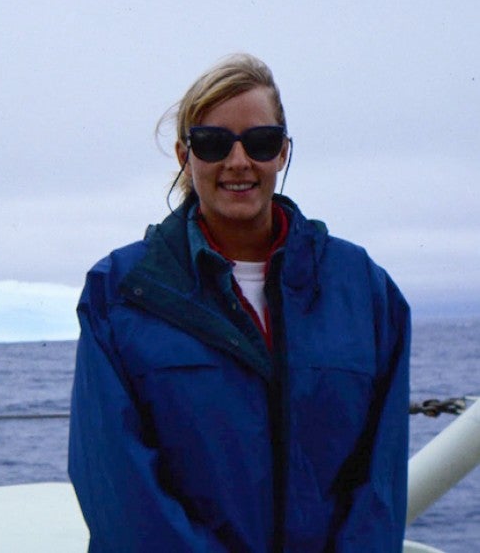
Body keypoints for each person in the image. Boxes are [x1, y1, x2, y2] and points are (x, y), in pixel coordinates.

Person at [68, 53, 410, 552]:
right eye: (212, 143)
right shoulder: (120, 292)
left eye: (260, 141)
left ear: (283, 152)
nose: (238, 161)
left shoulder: (364, 290)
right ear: (185, 156)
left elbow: (379, 484)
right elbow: (119, 490)